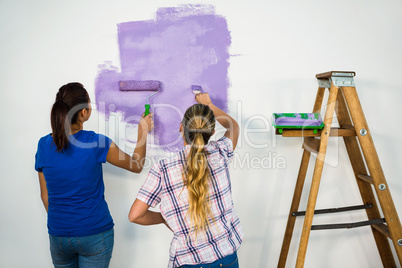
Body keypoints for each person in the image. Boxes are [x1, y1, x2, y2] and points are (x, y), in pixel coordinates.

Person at [35, 82, 153, 268]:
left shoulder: (43, 145)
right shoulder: (95, 142)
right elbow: (137, 165)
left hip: (58, 236)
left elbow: (45, 195)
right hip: (94, 234)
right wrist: (143, 132)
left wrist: (66, 223)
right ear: (83, 112)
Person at [129, 92, 243, 268]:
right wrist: (209, 104)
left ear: (181, 127)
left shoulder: (163, 169)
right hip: (226, 259)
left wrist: (164, 218)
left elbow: (135, 215)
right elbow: (233, 127)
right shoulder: (220, 152)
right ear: (212, 132)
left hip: (188, 261)